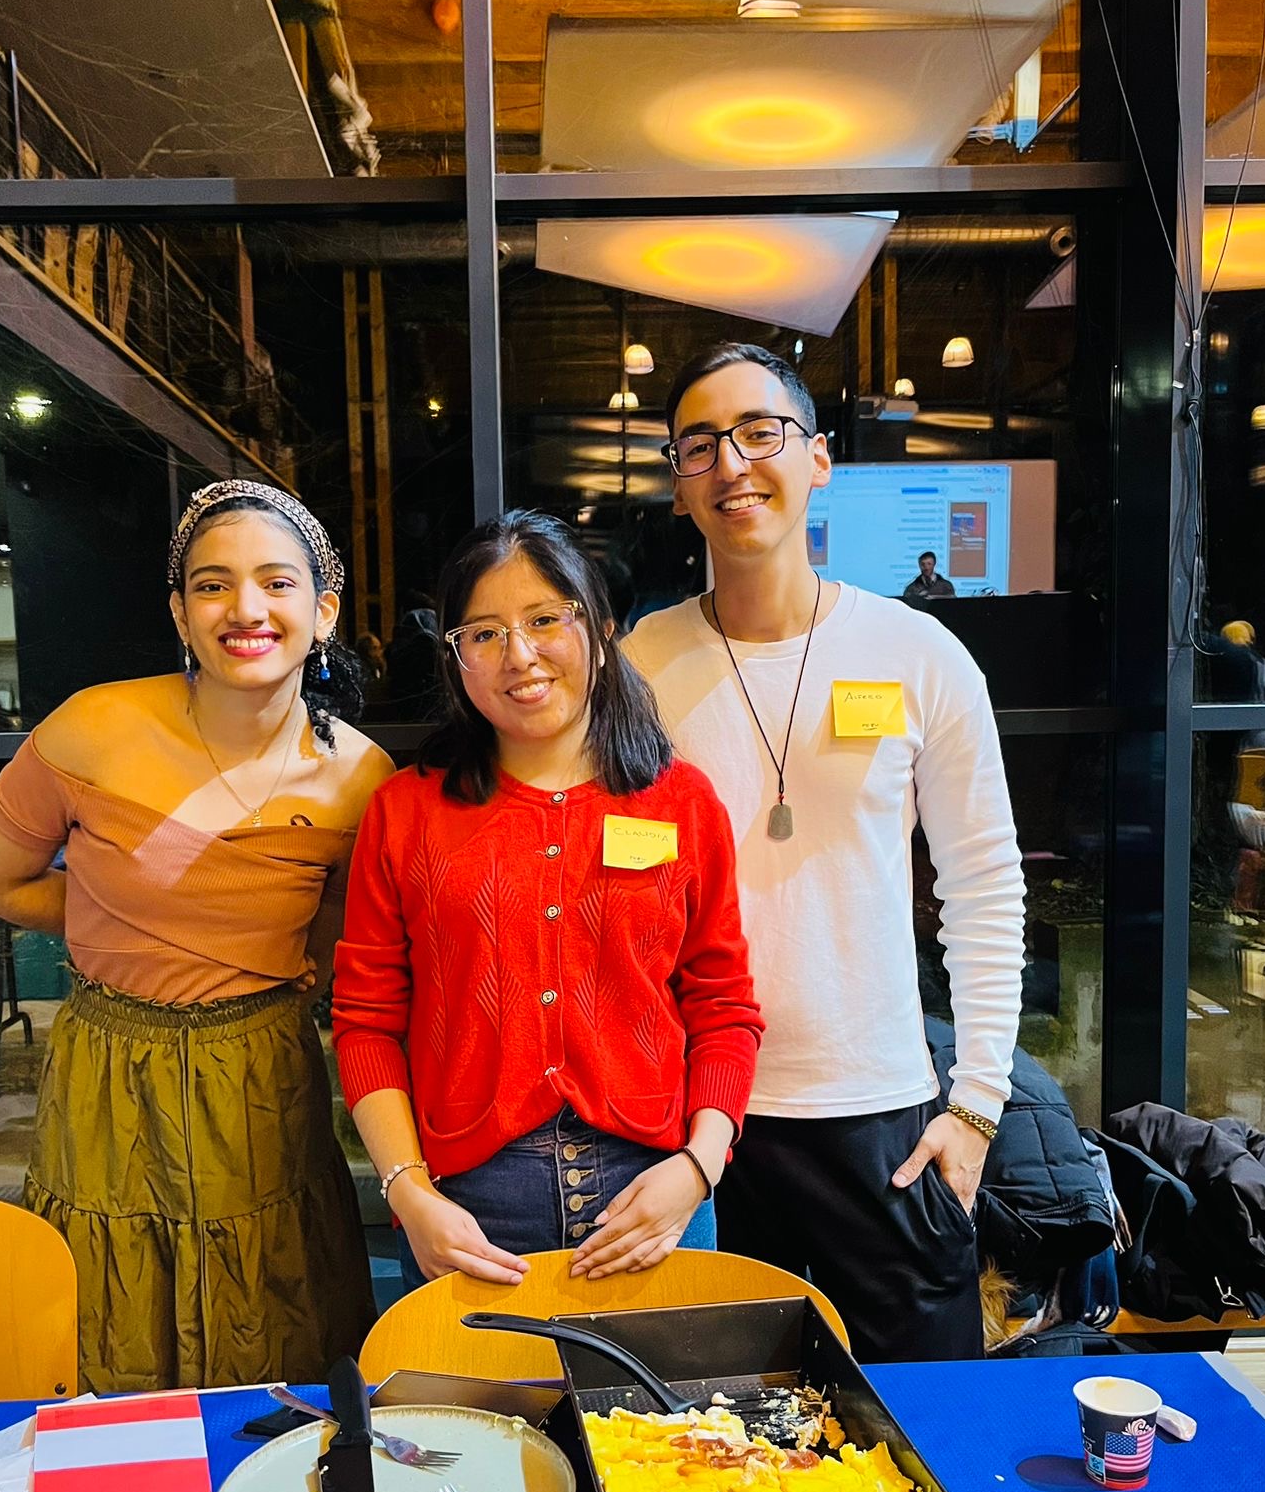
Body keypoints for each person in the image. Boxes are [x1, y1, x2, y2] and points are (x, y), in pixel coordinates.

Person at [623, 343, 1026, 1360]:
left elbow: (984, 884)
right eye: (700, 444)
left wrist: (977, 1104)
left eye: (760, 433)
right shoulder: (638, 666)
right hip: (699, 1121)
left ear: (819, 460)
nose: (731, 463)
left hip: (879, 1110)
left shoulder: (919, 654)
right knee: (717, 1423)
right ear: (679, 483)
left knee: (921, 1415)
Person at [0, 479, 390, 1391]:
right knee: (110, 1302)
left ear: (323, 613)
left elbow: (332, 939)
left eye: (277, 583)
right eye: (212, 585)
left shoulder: (361, 778)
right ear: (179, 612)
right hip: (109, 1067)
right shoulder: (92, 728)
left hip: (262, 1074)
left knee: (272, 1304)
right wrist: (118, 926)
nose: (246, 609)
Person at [332, 510, 763, 1291]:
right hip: (466, 1207)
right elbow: (367, 1021)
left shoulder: (681, 803)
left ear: (598, 630)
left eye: (544, 620)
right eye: (484, 634)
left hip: (655, 1191)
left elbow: (723, 1006)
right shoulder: (405, 813)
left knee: (667, 1381)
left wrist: (699, 1168)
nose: (519, 655)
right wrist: (408, 1192)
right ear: (456, 657)